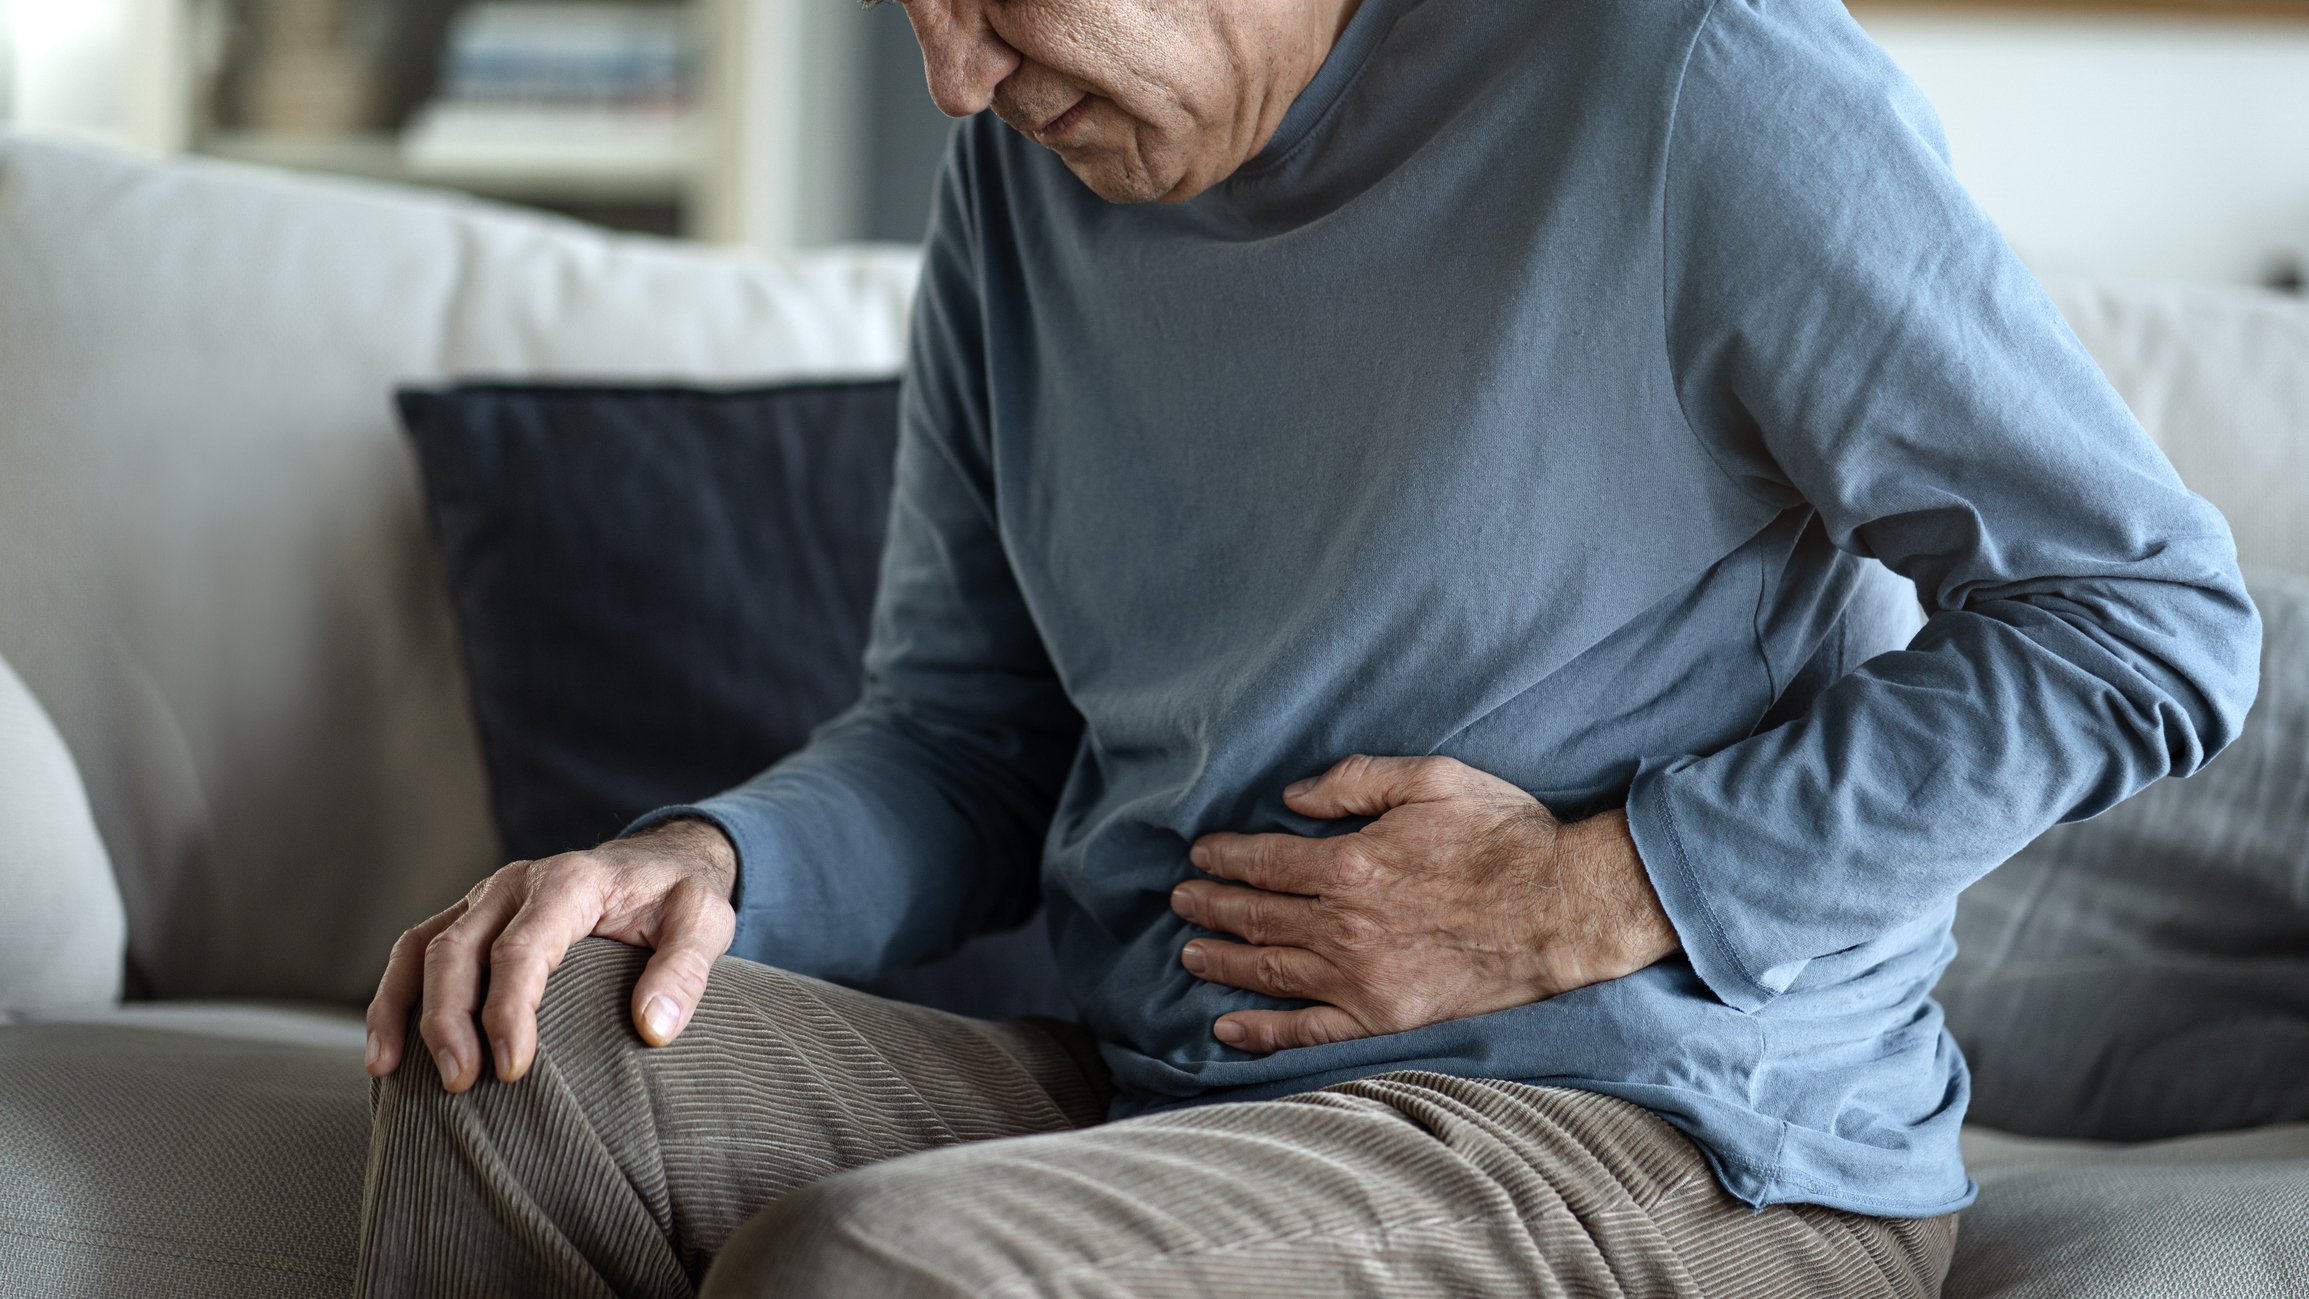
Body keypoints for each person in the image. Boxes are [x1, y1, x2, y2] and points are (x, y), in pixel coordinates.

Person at [353, 0, 2262, 1294]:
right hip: (1170, 1099)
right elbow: (962, 734)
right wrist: (700, 865)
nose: (949, 73)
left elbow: (2146, 616)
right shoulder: (1026, 174)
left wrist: (1600, 888)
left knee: (886, 1275)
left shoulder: (1679, 75)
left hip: (1661, 1145)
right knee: (512, 1039)